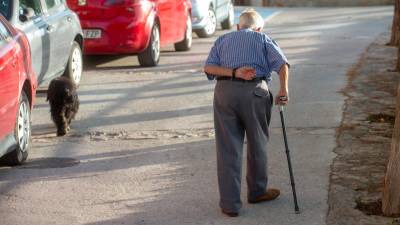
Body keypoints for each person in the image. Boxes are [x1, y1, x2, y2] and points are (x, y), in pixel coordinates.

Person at [204, 9, 290, 217]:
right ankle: (257, 191)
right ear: (259, 28)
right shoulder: (263, 39)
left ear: (237, 26)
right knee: (257, 143)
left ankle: (230, 205)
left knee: (227, 148)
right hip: (255, 93)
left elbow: (209, 68)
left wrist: (234, 72)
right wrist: (283, 89)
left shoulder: (223, 40)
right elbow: (282, 65)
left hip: (225, 93)